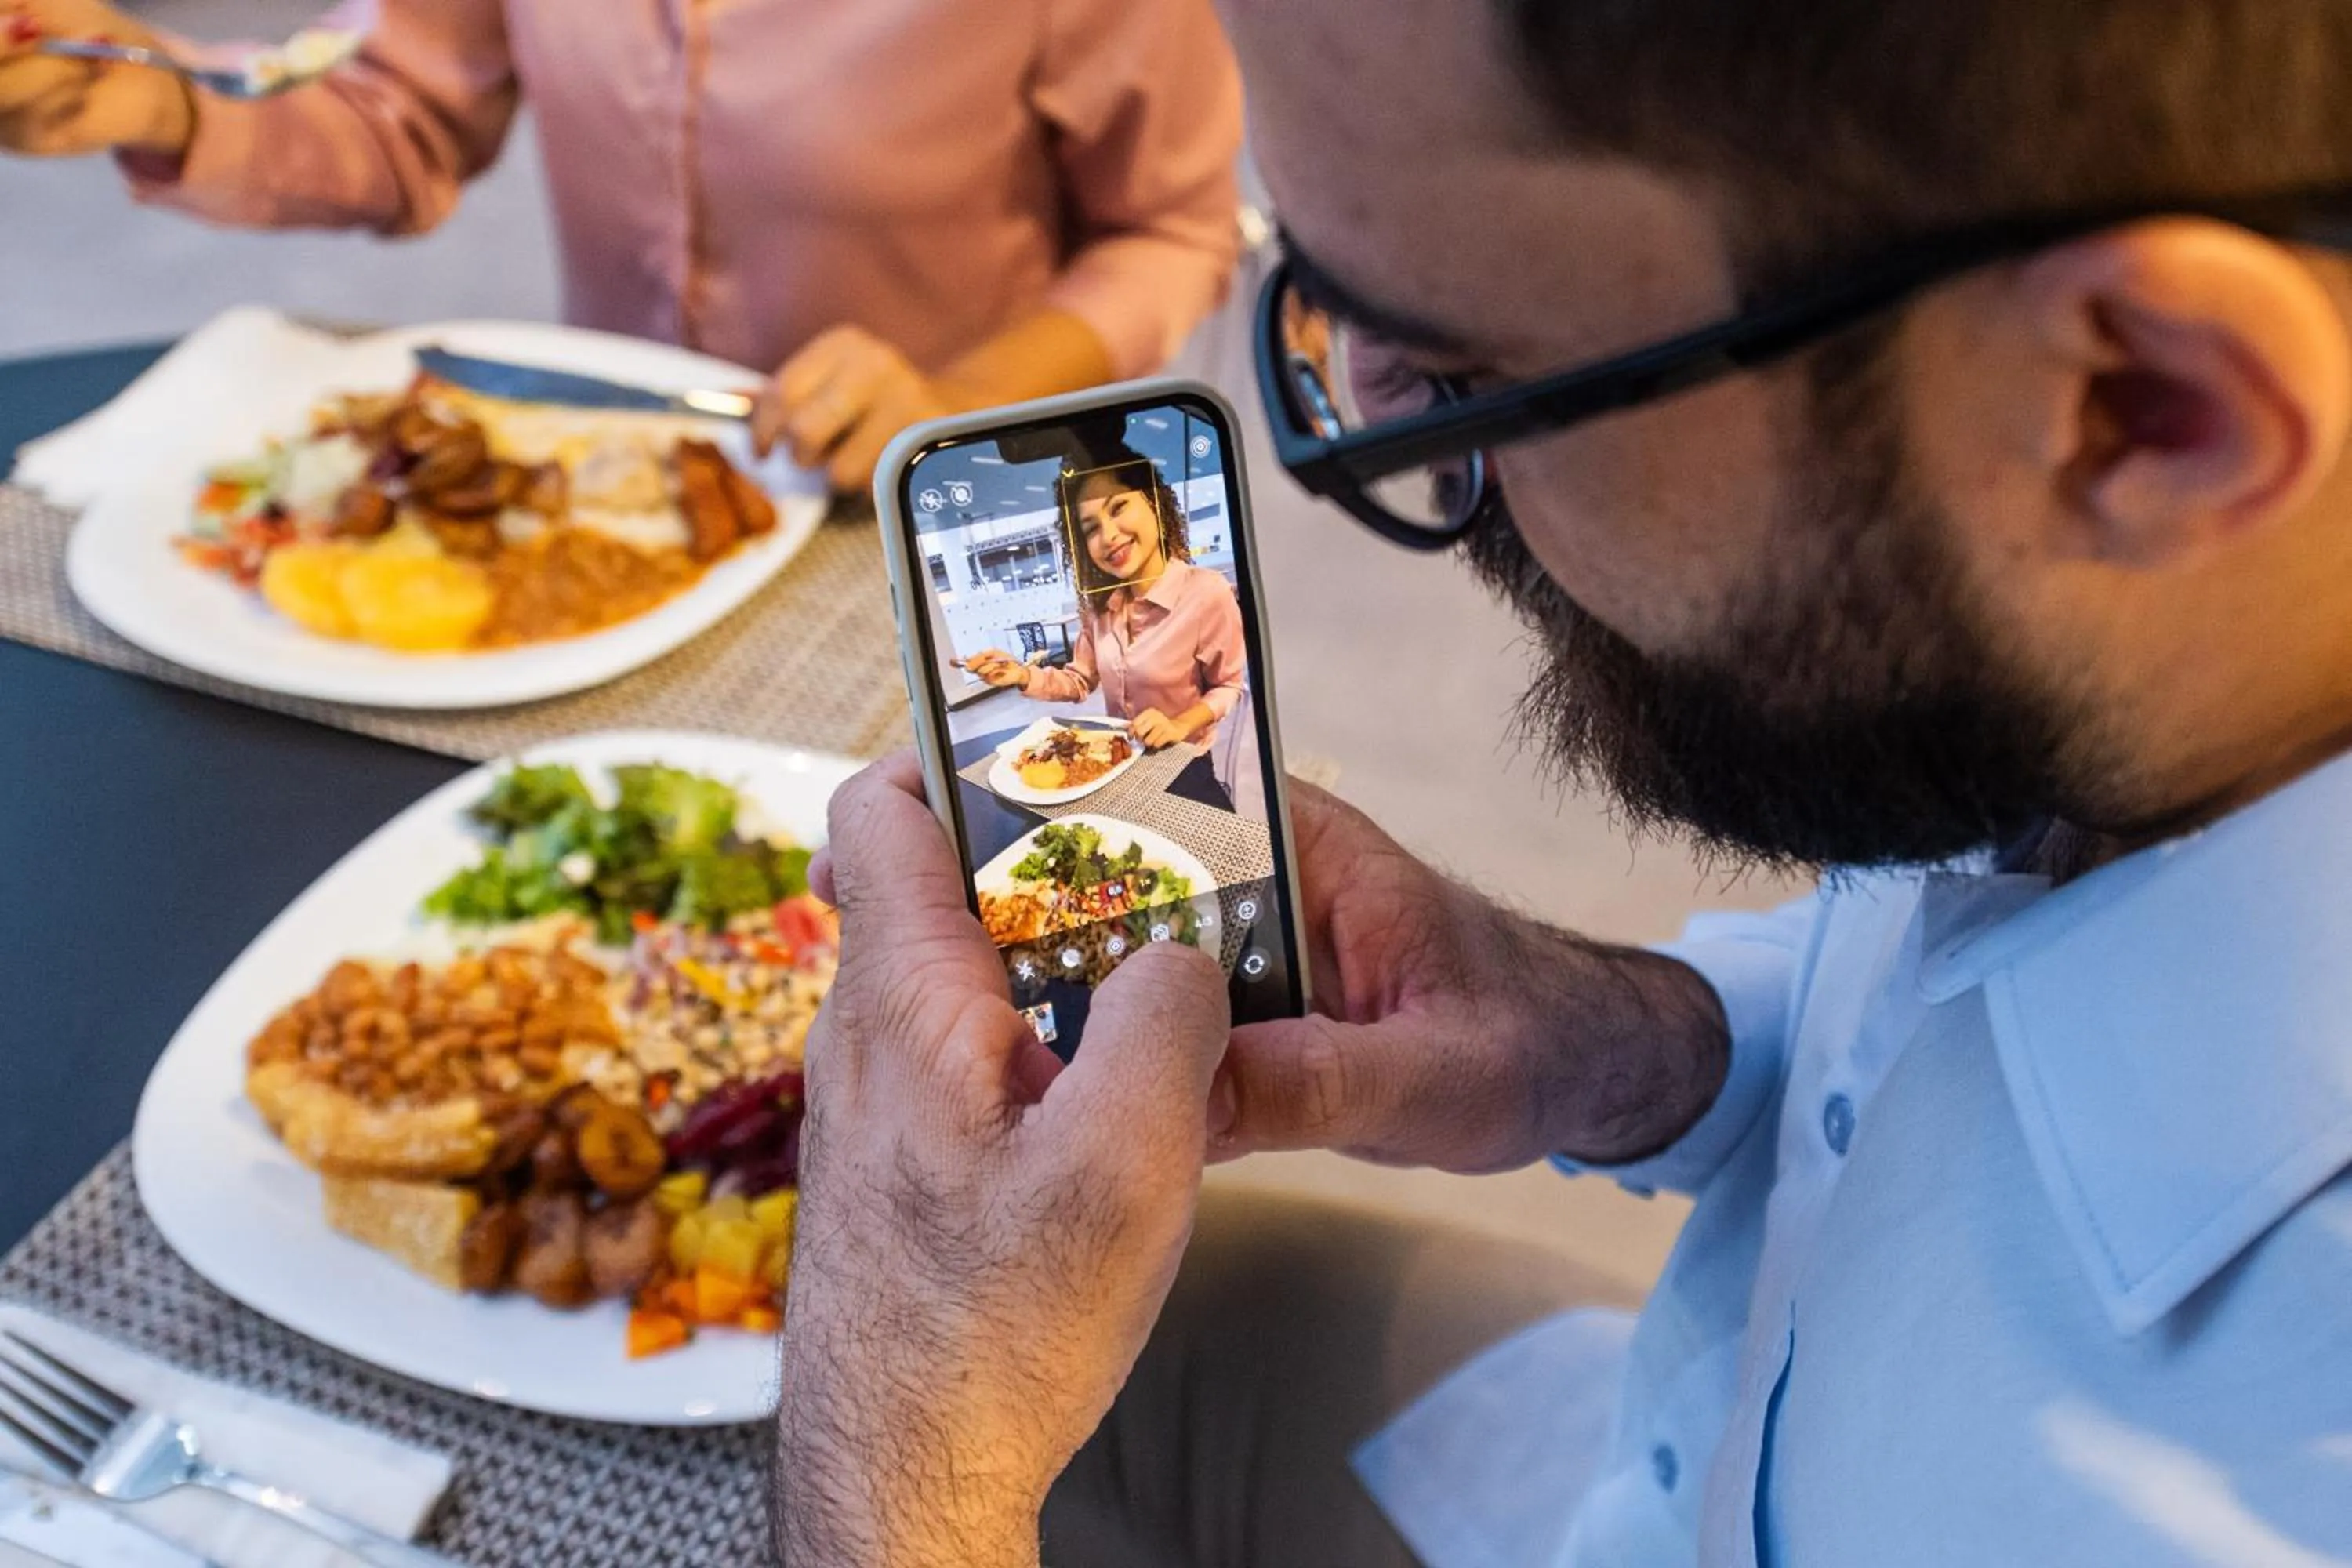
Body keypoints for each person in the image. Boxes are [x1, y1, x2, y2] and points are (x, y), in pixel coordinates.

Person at [775, 0, 2352, 1563]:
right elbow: (1942, 1025)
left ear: (2146, 407)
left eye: (1466, 370)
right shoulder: (2168, 669)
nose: (1395, 432)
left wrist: (899, 1486)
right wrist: (1627, 1044)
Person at [0, 0, 1243, 490]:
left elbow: (1173, 229)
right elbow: (404, 119)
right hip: (626, 479)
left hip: (972, 499)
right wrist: (165, 100)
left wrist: (957, 400)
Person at [965, 451, 1247, 755]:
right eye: (1091, 528)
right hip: (1120, 759)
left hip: (1185, 764)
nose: (1109, 536)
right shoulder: (1098, 607)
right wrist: (1022, 674)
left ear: (1153, 500)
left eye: (1118, 508)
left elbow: (1229, 687)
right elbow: (1079, 680)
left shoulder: (1206, 592)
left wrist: (1178, 724)